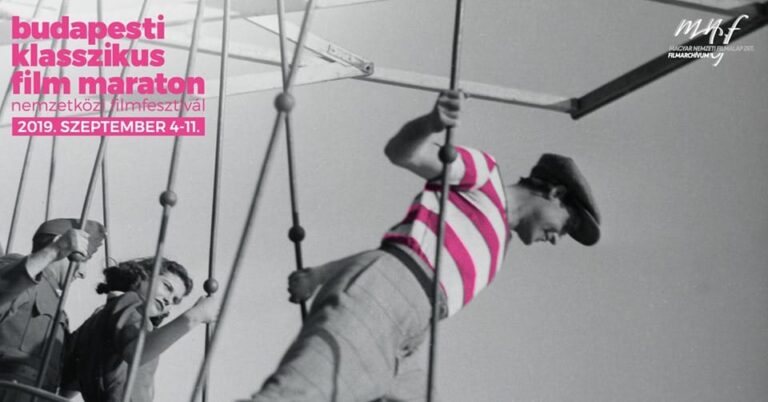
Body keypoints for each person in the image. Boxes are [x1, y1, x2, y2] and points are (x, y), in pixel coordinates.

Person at [244, 91, 601, 402]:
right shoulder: (486, 177)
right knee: (300, 394)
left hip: (410, 332)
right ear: (555, 193)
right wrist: (430, 124)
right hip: (388, 302)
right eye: (566, 226)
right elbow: (403, 154)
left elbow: (395, 257)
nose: (557, 238)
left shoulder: (498, 246)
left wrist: (318, 275)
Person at [62, 257, 218, 402]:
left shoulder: (98, 318)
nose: (168, 300)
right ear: (142, 276)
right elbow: (136, 353)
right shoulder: (131, 304)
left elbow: (70, 383)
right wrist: (195, 316)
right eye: (167, 287)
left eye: (175, 300)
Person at [0, 218, 105, 401]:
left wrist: (105, 320)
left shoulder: (59, 312)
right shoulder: (18, 270)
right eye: (83, 259)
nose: (83, 273)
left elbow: (70, 374)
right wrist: (54, 250)